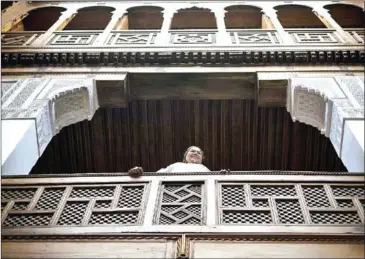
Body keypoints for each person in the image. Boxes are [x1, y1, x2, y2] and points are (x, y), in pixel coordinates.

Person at [128, 146, 229, 177]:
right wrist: (139, 173)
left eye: (199, 153)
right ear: (186, 156)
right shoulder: (176, 165)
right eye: (192, 151)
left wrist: (224, 176)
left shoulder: (206, 170)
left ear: (202, 158)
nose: (196, 153)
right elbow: (156, 176)